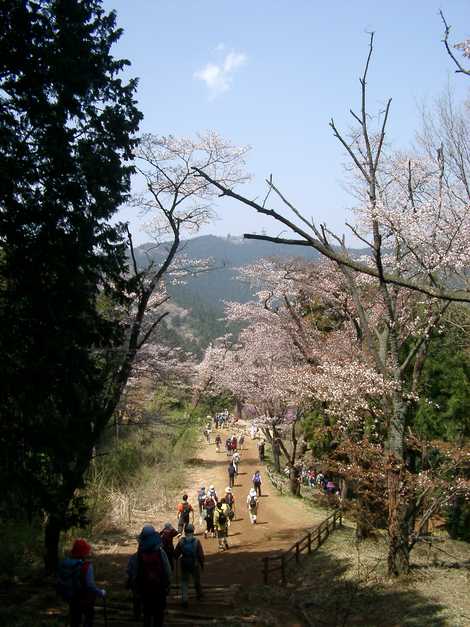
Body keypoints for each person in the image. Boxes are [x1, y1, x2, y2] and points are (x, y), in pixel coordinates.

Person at [57, 539, 106, 627]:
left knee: (75, 619)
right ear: (84, 553)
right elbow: (90, 585)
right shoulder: (86, 566)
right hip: (84, 598)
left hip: (70, 597)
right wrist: (101, 592)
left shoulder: (65, 563)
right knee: (89, 617)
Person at [135, 525, 172, 627]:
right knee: (158, 615)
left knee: (147, 615)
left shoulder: (140, 553)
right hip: (159, 588)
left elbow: (136, 571)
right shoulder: (160, 552)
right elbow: (167, 570)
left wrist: (137, 587)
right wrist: (168, 584)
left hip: (145, 588)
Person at [174, 523, 204, 608]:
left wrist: (176, 556)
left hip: (184, 562)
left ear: (185, 531)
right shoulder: (196, 541)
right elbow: (200, 555)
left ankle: (184, 599)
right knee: (196, 579)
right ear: (193, 531)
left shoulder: (181, 541)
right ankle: (199, 595)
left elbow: (176, 554)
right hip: (194, 562)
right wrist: (201, 564)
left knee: (184, 581)